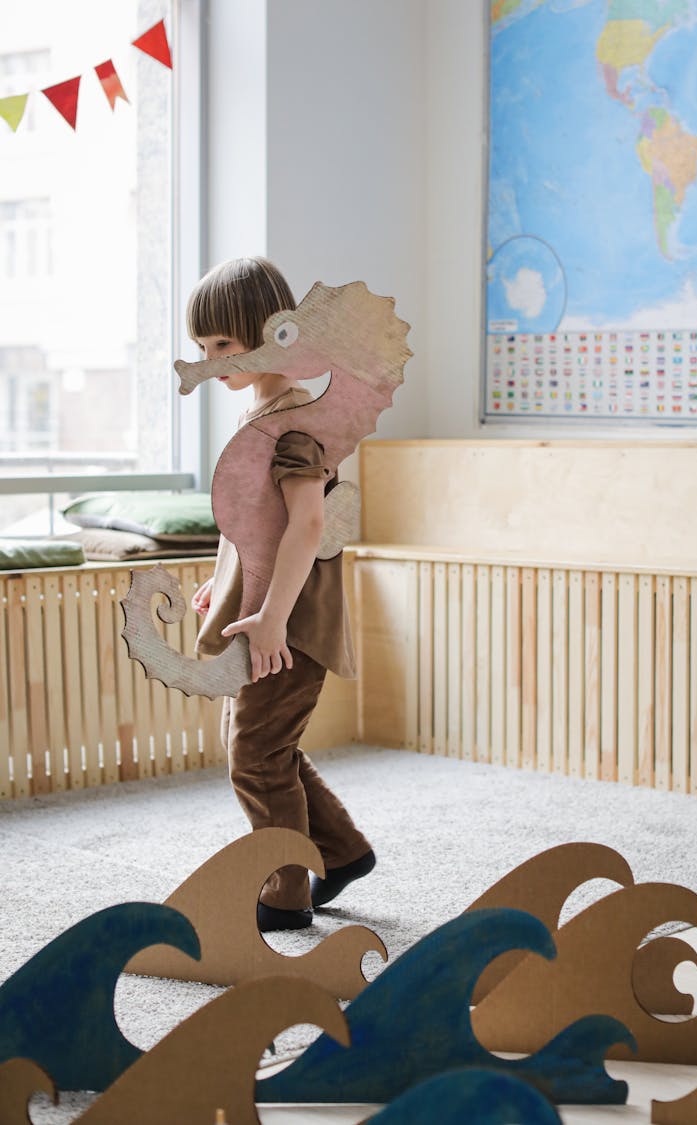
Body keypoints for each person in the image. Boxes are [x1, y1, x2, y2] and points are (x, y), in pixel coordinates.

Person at [187, 256, 375, 932]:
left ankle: (286, 892)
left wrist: (269, 616)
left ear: (272, 332)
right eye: (201, 349)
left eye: (222, 347)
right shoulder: (257, 409)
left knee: (255, 755)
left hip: (289, 622)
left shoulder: (295, 417)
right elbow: (252, 520)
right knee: (271, 744)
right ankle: (342, 852)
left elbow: (308, 522)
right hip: (267, 610)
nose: (209, 360)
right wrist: (226, 579)